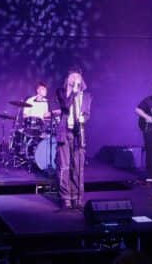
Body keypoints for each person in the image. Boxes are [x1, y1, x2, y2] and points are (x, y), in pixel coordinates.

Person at [56, 67, 92, 209]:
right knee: (64, 167)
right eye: (72, 77)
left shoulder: (88, 96)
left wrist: (84, 118)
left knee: (78, 168)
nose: (75, 79)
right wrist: (74, 93)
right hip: (65, 133)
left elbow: (87, 113)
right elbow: (65, 106)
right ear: (68, 79)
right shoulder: (61, 92)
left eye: (77, 77)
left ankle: (77, 197)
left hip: (79, 135)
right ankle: (65, 198)